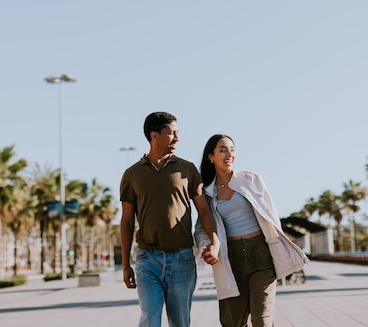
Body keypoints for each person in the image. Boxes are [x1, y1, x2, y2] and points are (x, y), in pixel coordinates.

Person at [195, 134, 309, 327]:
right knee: (234, 322)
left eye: (232, 149)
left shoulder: (251, 179)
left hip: (260, 255)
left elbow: (271, 216)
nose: (229, 154)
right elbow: (201, 228)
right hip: (231, 259)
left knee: (261, 320)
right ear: (210, 156)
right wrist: (207, 246)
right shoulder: (206, 192)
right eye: (223, 150)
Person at [120, 111, 220, 327]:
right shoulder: (132, 174)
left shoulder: (187, 170)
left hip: (182, 259)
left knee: (180, 322)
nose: (177, 138)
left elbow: (204, 211)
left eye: (178, 133)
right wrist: (125, 263)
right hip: (147, 259)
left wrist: (213, 241)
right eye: (172, 133)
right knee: (149, 319)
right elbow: (127, 221)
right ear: (154, 136)